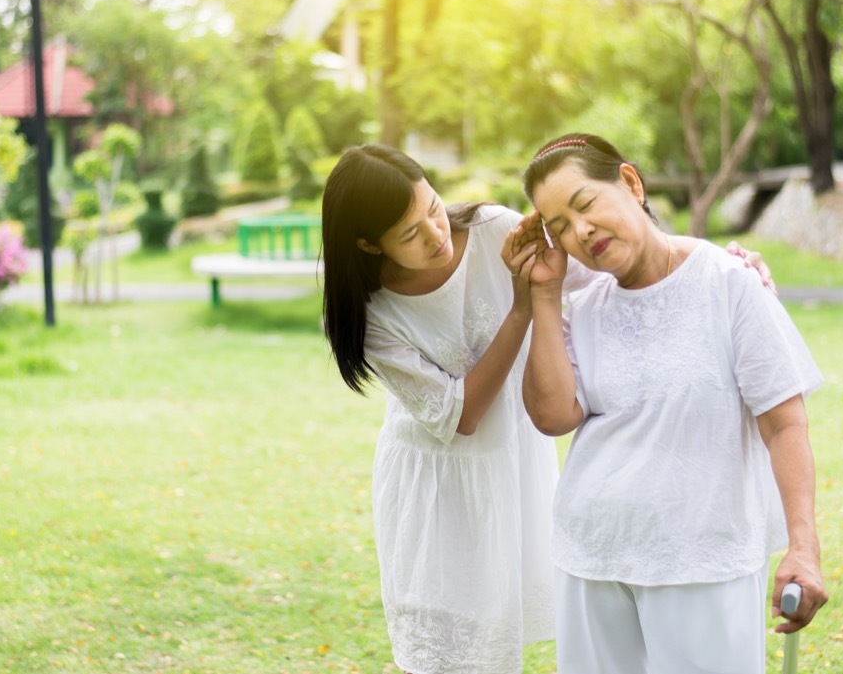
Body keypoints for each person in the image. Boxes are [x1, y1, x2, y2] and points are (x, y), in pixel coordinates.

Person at [321, 144, 775, 674]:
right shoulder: (372, 314)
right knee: (453, 653)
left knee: (518, 632)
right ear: (367, 245)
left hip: (513, 464)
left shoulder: (494, 230)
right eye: (409, 234)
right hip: (439, 484)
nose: (435, 234)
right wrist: (521, 307)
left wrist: (714, 261)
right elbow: (460, 417)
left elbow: (606, 265)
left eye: (433, 209)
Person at [513, 133, 828, 674]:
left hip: (705, 560)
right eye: (559, 225)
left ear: (631, 184)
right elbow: (552, 416)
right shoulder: (583, 307)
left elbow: (784, 424)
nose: (580, 231)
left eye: (585, 204)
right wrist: (543, 294)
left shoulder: (729, 283)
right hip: (592, 559)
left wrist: (804, 545)